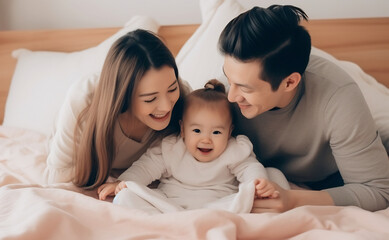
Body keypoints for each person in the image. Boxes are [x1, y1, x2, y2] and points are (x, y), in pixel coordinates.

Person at [218, 5, 389, 212]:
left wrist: (293, 200)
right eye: (229, 78)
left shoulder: (337, 96)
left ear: (289, 82)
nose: (231, 96)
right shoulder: (219, 95)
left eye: (245, 88)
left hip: (331, 180)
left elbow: (378, 191)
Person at [98, 80, 286, 213]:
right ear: (182, 129)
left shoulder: (234, 150)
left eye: (216, 132)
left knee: (273, 177)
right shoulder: (171, 148)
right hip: (169, 207)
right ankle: (172, 225)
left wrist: (259, 183)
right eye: (196, 131)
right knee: (126, 195)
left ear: (230, 132)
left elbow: (250, 168)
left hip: (220, 207)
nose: (206, 140)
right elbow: (145, 168)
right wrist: (121, 182)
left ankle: (197, 224)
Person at [45, 29, 189, 190]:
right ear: (124, 95)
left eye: (171, 89)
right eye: (150, 98)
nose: (167, 106)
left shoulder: (182, 97)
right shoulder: (84, 101)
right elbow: (56, 177)